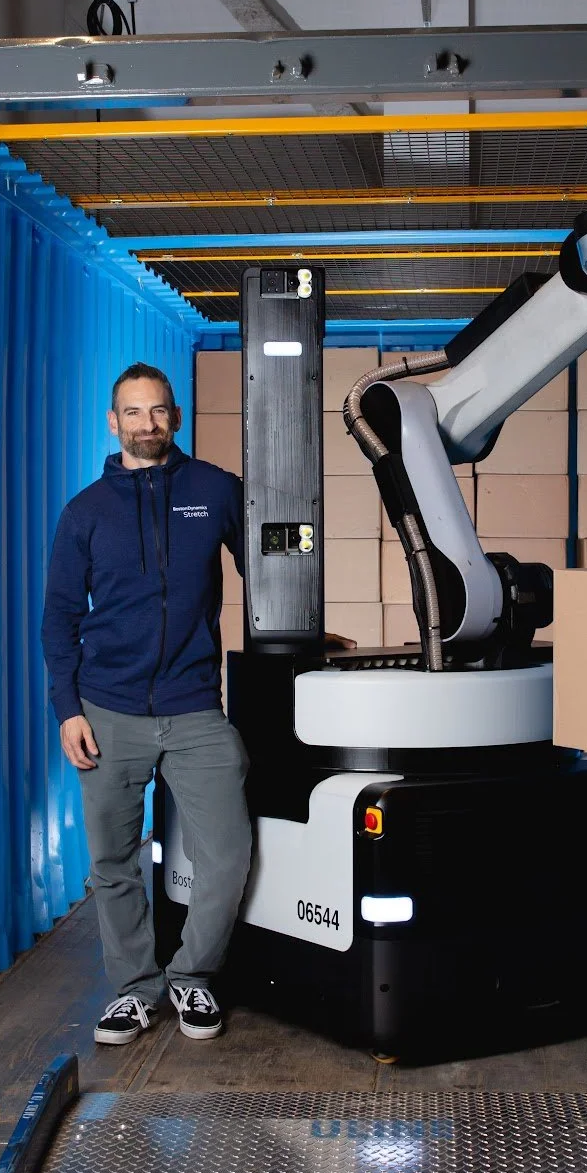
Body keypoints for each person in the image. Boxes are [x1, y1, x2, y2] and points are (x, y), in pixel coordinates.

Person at [41, 362, 352, 1047]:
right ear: (112, 421)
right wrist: (68, 708)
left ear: (174, 417)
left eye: (157, 412)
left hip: (192, 707)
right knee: (113, 862)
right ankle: (132, 990)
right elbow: (59, 618)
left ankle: (193, 977)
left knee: (229, 851)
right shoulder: (85, 513)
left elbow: (270, 571)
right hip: (107, 711)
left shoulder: (213, 490)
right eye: (133, 412)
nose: (146, 424)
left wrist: (304, 628)